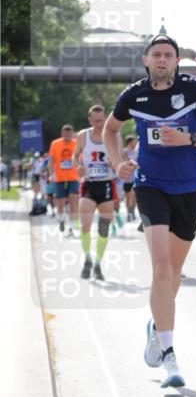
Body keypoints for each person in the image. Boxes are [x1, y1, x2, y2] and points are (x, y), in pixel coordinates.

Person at [103, 33, 196, 395]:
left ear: (175, 61)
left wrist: (187, 139)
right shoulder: (133, 95)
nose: (162, 60)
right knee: (161, 269)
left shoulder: (195, 92)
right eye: (156, 54)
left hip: (189, 187)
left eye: (168, 55)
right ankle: (170, 354)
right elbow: (111, 130)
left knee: (173, 275)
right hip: (150, 184)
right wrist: (118, 162)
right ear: (146, 60)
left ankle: (156, 328)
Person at [74, 104, 116, 281]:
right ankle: (87, 259)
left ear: (106, 117)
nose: (100, 123)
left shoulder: (114, 136)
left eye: (102, 120)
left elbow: (119, 156)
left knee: (104, 228)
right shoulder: (83, 136)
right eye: (96, 120)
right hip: (89, 184)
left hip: (106, 184)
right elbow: (76, 155)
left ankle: (98, 262)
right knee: (85, 225)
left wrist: (116, 164)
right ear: (90, 120)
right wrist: (78, 166)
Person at [48, 124, 79, 235]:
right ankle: (61, 219)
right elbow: (51, 161)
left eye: (69, 134)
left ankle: (70, 226)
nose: (67, 137)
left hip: (74, 177)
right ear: (62, 134)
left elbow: (81, 159)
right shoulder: (55, 144)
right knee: (60, 203)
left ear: (72, 134)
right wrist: (51, 174)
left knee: (73, 201)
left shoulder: (76, 143)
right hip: (59, 178)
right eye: (65, 134)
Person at [121, 134, 139, 222]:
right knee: (128, 197)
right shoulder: (124, 152)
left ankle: (132, 211)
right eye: (134, 141)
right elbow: (124, 162)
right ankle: (129, 212)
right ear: (130, 142)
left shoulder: (137, 151)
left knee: (134, 195)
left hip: (135, 178)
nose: (135, 143)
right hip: (127, 178)